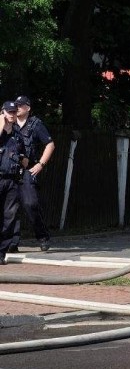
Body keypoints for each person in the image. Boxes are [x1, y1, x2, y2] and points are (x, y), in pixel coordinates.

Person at [10, 95, 54, 253]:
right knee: (10, 207)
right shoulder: (10, 122)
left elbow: (49, 144)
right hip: (10, 170)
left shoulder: (35, 124)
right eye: (16, 105)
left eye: (20, 106)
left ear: (28, 108)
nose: (17, 108)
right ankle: (12, 243)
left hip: (28, 170)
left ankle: (42, 237)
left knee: (30, 203)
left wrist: (41, 164)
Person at [0, 101, 26, 265]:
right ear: (2, 113)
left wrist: (24, 160)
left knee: (9, 217)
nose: (12, 114)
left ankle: (1, 253)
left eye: (14, 112)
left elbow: (23, 154)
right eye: (9, 112)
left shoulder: (18, 134)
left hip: (12, 180)